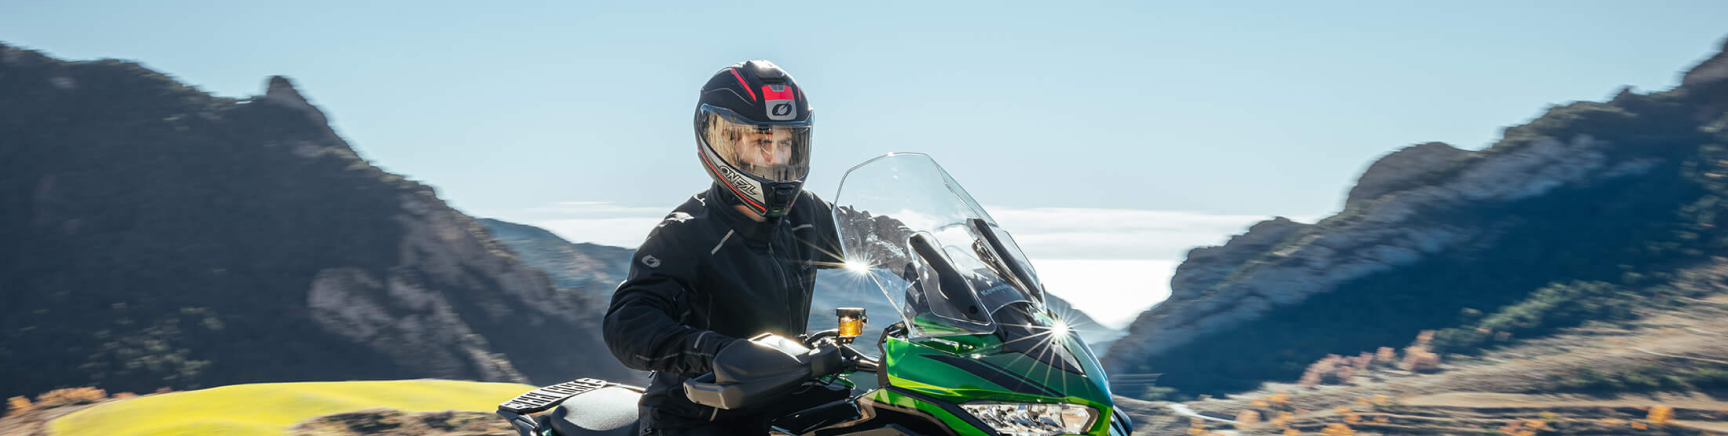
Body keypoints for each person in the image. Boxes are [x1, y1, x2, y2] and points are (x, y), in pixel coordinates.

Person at [602, 60, 845, 436]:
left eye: (786, 143)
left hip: (784, 400)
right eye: (762, 142)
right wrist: (716, 352)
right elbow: (627, 324)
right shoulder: (687, 233)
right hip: (697, 417)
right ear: (722, 144)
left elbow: (867, 234)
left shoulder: (805, 213)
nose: (777, 159)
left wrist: (928, 256)